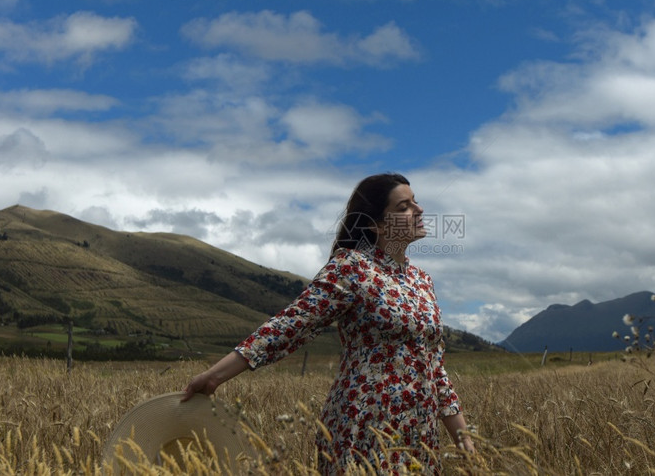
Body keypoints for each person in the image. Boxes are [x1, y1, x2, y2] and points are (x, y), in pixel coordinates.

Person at [182, 173, 474, 474]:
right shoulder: (352, 267)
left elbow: (435, 367)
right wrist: (215, 376)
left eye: (415, 201)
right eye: (403, 206)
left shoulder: (422, 281)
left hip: (419, 435)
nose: (419, 209)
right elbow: (290, 325)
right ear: (376, 224)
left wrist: (461, 436)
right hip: (367, 426)